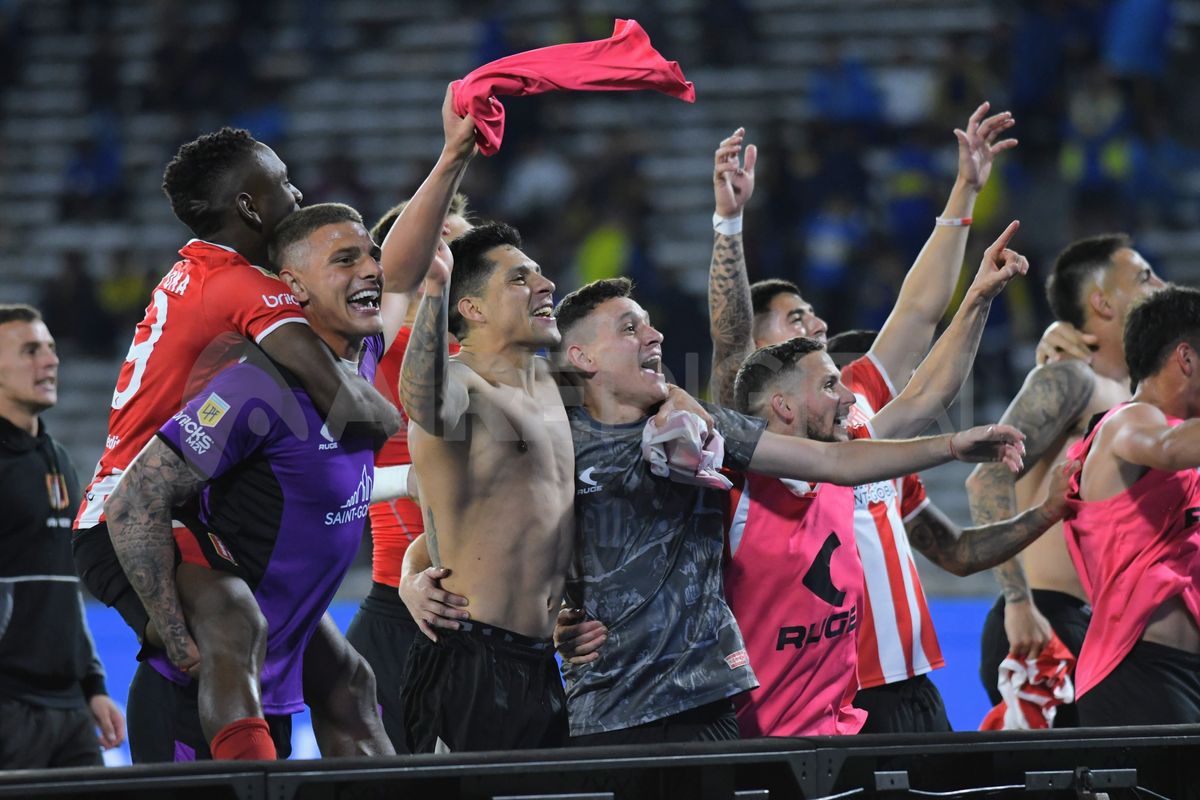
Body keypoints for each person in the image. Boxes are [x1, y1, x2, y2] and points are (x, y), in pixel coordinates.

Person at [73, 85, 475, 653]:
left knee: (342, 681)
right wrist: (427, 447)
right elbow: (350, 406)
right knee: (216, 649)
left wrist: (451, 158)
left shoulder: (207, 271)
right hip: (135, 514)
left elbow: (395, 278)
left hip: (187, 501)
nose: (297, 191)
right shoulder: (247, 289)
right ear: (248, 206)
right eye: (283, 182)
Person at [551, 276, 1023, 745]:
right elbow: (522, 537)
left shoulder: (712, 435)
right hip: (616, 710)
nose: (654, 336)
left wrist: (954, 443)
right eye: (630, 328)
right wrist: (554, 615)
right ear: (583, 356)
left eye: (649, 325)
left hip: (714, 707)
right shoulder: (560, 443)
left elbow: (844, 453)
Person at [702, 109, 1020, 732]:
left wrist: (965, 197)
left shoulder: (850, 410)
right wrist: (730, 224)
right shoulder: (748, 443)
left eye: (814, 317)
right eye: (795, 322)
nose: (816, 327)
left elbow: (919, 322)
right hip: (820, 695)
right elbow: (730, 340)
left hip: (912, 679)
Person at [105, 204, 399, 761]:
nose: (371, 269)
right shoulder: (252, 388)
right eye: (345, 260)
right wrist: (171, 628)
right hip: (195, 701)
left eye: (371, 256)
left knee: (353, 685)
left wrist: (452, 157)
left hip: (273, 689)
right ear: (293, 287)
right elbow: (134, 499)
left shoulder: (363, 355)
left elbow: (415, 262)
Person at [726, 335, 1075, 737]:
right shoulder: (734, 488)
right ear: (782, 403)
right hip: (808, 718)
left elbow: (928, 397)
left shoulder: (856, 458)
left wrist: (980, 293)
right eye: (828, 385)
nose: (848, 399)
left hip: (880, 705)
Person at [966, 234, 1165, 725]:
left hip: (1094, 623)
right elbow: (986, 478)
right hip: (1043, 619)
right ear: (1101, 302)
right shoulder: (1070, 376)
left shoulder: (1133, 393)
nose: (1161, 284)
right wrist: (1018, 602)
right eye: (1144, 276)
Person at [344, 194, 472, 754]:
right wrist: (406, 480)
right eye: (443, 247)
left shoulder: (503, 360)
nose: (455, 261)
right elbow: (317, 481)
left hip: (488, 615)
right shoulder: (363, 355)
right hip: (400, 615)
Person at [1061, 286, 1200, 725]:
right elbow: (1166, 447)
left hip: (1178, 675)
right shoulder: (1129, 420)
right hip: (1139, 672)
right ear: (1186, 358)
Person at [0, 305, 125, 768]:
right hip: (9, 705)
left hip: (69, 708)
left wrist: (92, 686)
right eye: (30, 351)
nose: (50, 361)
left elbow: (65, 585)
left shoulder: (57, 458)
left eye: (51, 349)